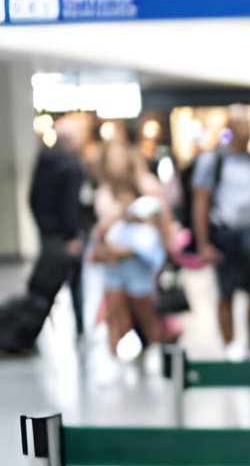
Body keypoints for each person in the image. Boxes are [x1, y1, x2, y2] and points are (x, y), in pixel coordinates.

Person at [191, 108, 250, 350]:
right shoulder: (214, 160)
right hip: (226, 235)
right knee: (226, 292)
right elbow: (201, 201)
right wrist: (202, 243)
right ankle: (230, 347)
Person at [27, 117, 87, 335]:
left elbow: (32, 198)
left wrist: (45, 226)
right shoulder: (71, 165)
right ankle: (80, 325)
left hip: (49, 234)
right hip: (64, 236)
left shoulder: (44, 161)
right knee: (72, 283)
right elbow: (70, 204)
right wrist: (71, 235)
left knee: (46, 284)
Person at [101, 195, 178, 356]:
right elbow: (105, 252)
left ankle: (155, 359)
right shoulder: (121, 229)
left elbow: (135, 252)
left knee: (147, 323)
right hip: (119, 283)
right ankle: (116, 360)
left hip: (140, 285)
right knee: (118, 323)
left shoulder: (147, 233)